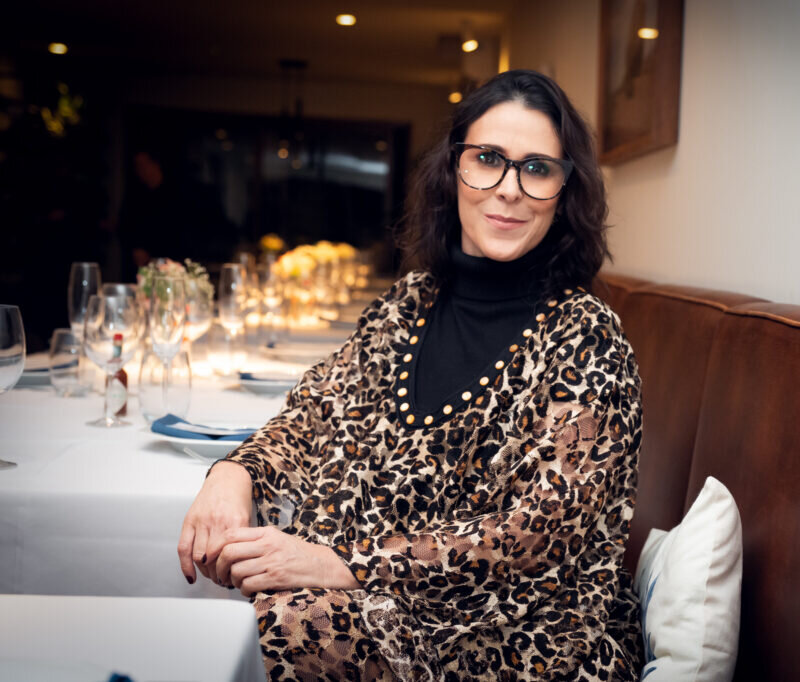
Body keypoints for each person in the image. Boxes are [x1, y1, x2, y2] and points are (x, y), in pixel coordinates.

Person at [178, 69, 644, 681]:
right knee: (228, 592)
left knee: (278, 623)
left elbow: (539, 533)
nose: (508, 189)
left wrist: (344, 565)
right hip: (387, 608)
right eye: (488, 159)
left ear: (565, 189)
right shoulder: (409, 302)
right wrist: (234, 472)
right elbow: (316, 415)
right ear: (453, 170)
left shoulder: (588, 337)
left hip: (522, 643)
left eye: (536, 168)